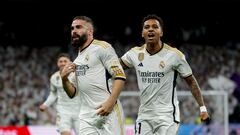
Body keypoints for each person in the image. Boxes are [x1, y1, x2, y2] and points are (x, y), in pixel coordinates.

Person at [120, 14, 210, 135]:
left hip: (167, 116)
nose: (150, 29)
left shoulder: (175, 55)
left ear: (161, 32)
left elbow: (191, 81)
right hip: (144, 115)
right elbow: (115, 67)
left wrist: (202, 108)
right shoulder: (134, 54)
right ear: (142, 33)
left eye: (155, 27)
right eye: (147, 27)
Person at [60, 16, 126, 135]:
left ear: (90, 31)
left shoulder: (102, 48)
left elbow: (120, 77)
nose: (74, 31)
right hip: (86, 117)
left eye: (78, 27)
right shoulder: (77, 60)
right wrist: (64, 79)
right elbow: (72, 93)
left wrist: (110, 103)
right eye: (72, 28)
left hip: (108, 113)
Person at [39, 53, 80, 135]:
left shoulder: (77, 74)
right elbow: (53, 93)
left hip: (79, 110)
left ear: (70, 62)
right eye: (60, 61)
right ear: (57, 63)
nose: (63, 63)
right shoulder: (54, 77)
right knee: (65, 133)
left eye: (65, 61)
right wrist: (46, 104)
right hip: (63, 111)